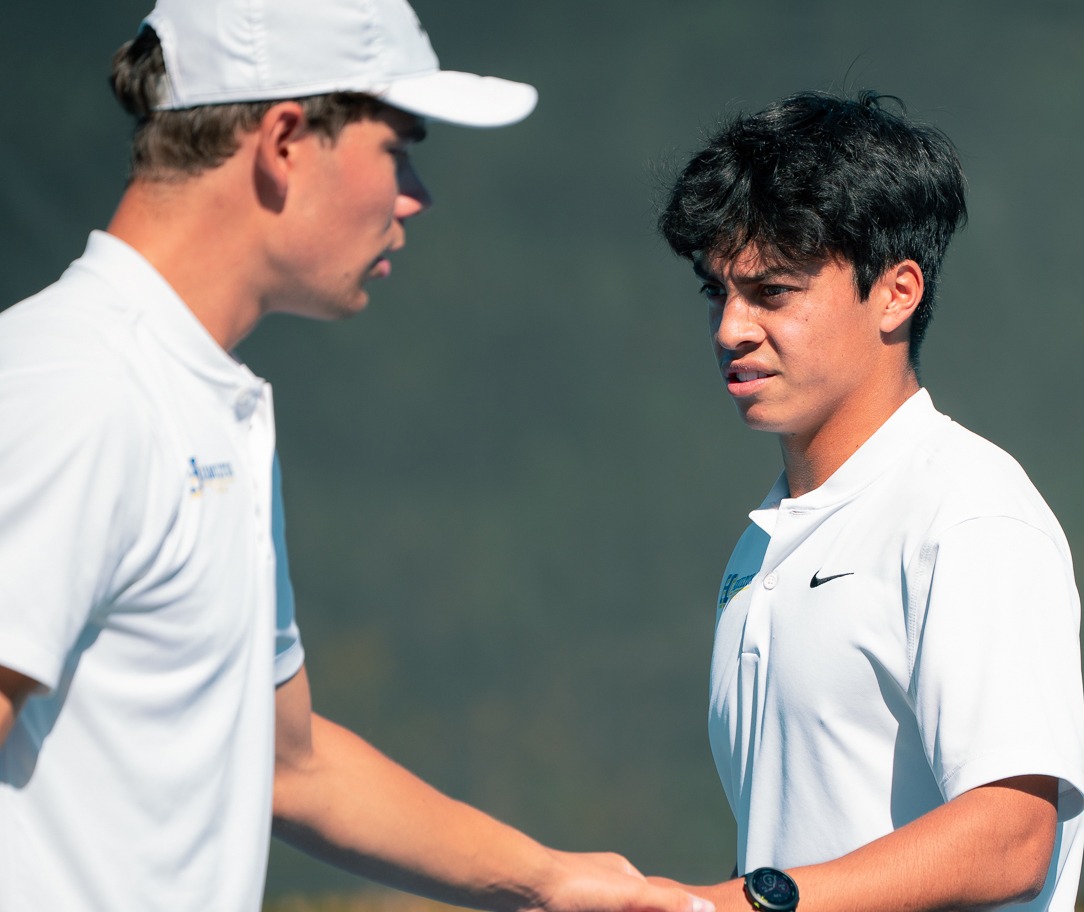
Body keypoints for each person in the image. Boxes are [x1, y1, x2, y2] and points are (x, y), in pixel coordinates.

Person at [0, 2, 711, 911]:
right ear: (286, 141)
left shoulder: (205, 403)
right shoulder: (74, 385)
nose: (419, 194)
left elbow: (287, 762)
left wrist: (549, 881)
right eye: (397, 148)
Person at [655, 91, 1084, 912]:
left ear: (897, 292)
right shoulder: (765, 543)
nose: (730, 328)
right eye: (718, 292)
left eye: (772, 292)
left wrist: (744, 905)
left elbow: (1013, 837)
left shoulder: (968, 512)